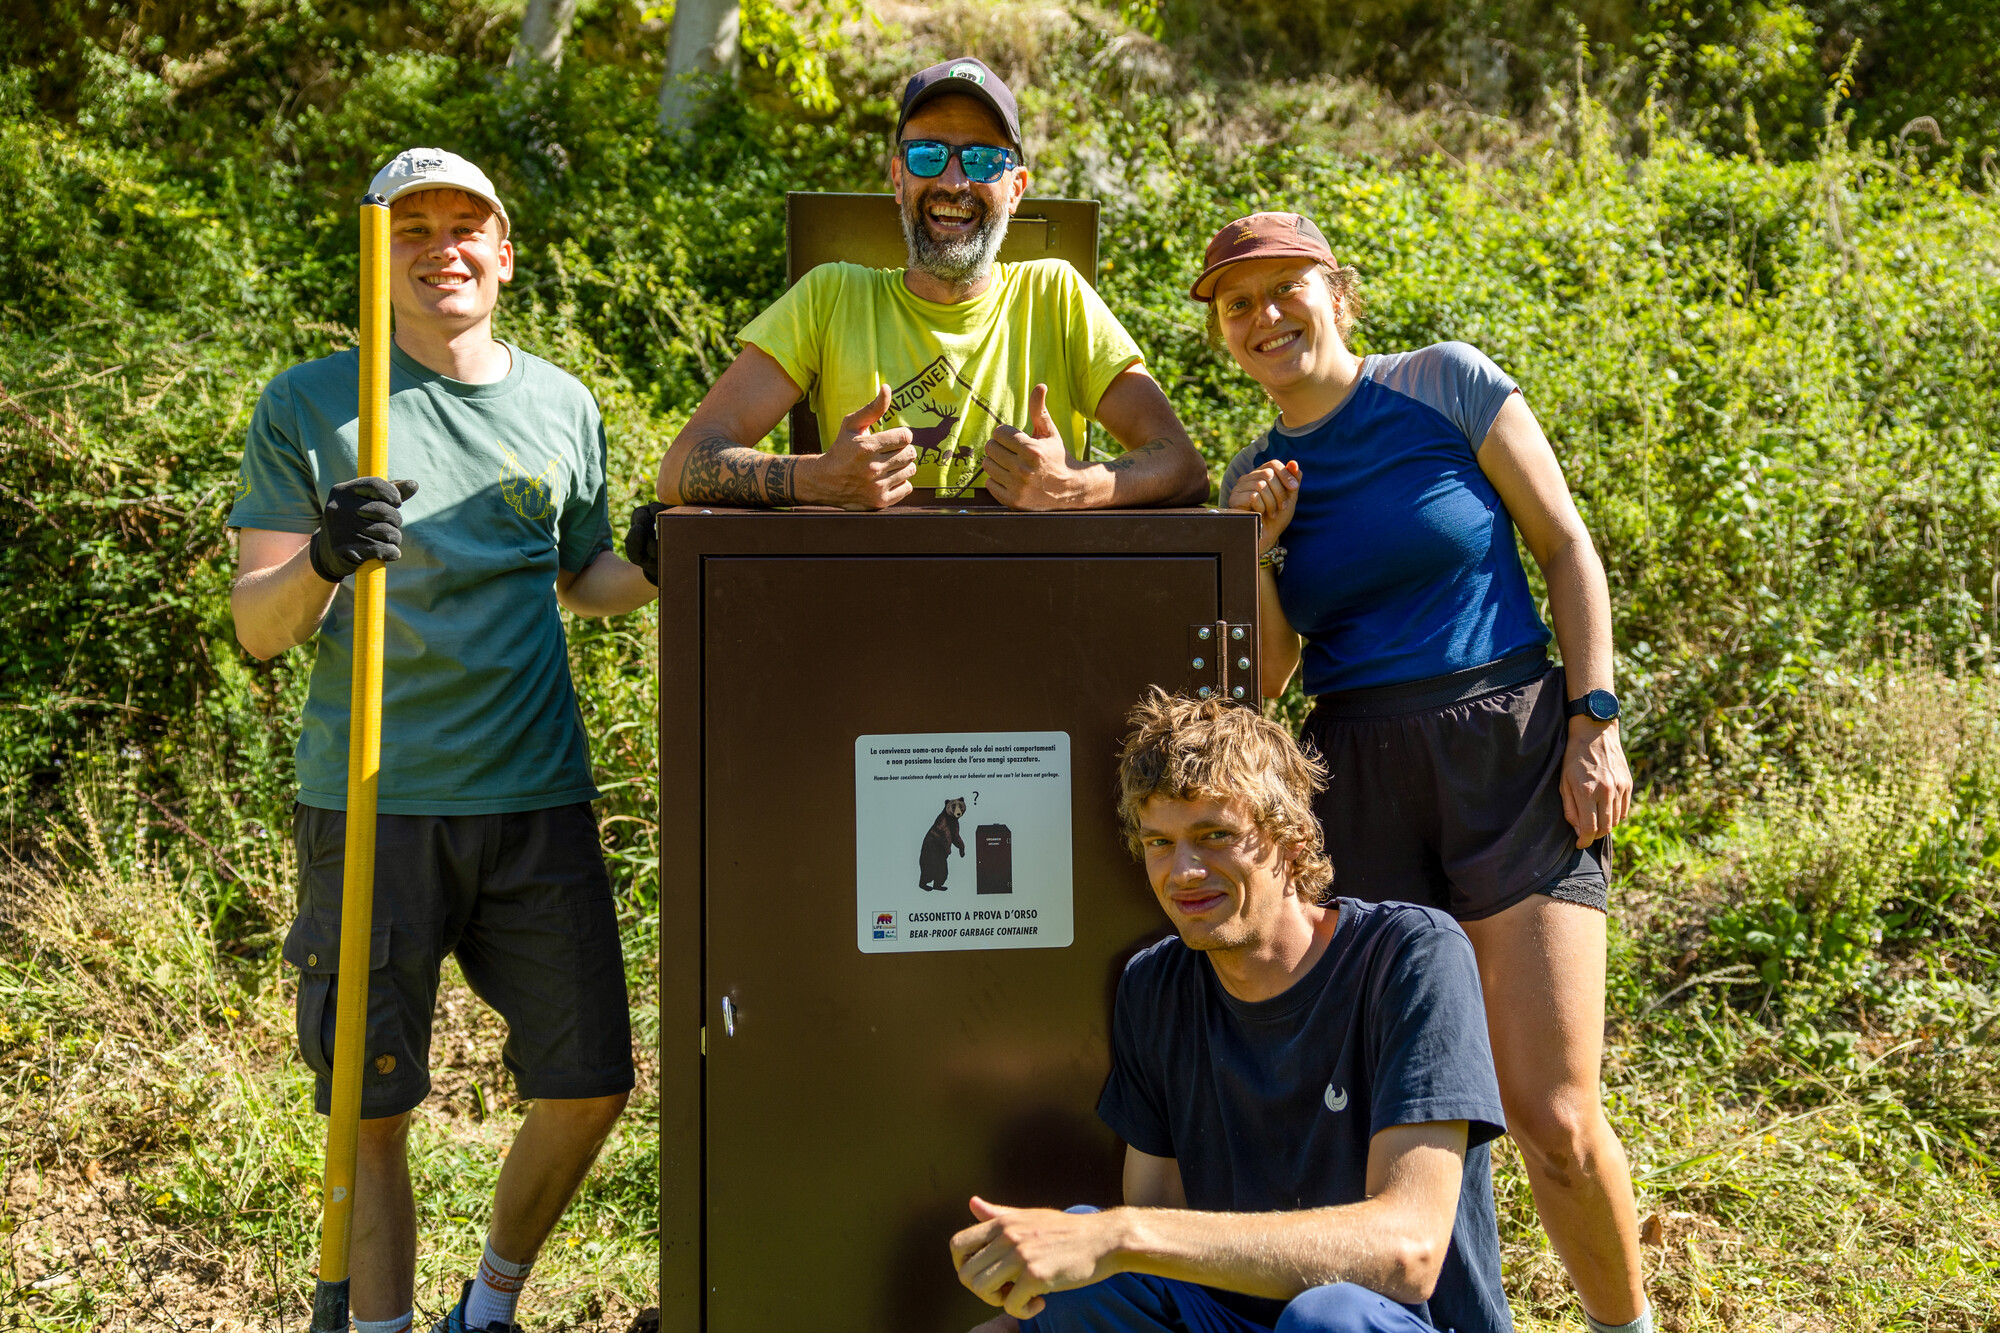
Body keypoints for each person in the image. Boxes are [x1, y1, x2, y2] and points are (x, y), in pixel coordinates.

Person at [227, 148, 662, 1333]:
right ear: (378, 257)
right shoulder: (314, 402)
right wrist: (321, 556)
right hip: (375, 797)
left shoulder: (562, 403)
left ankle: (489, 1306)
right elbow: (259, 629)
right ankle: (377, 1326)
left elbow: (585, 579)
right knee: (371, 1106)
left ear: (504, 251)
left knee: (590, 1084)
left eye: (464, 225)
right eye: (408, 228)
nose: (440, 248)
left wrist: (671, 555)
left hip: (537, 800)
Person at [1199, 213, 1648, 1333]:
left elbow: (1564, 547)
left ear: (1335, 294)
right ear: (1220, 334)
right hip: (1354, 770)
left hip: (1507, 747)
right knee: (1414, 1108)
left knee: (1550, 1112)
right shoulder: (1251, 475)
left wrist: (1593, 719)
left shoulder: (1445, 384)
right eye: (1236, 303)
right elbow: (1267, 672)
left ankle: (1627, 1326)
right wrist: (1251, 550)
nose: (1264, 315)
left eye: (1283, 289)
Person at [950, 691, 1514, 1333]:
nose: (1183, 871)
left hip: (1385, 1322)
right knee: (1075, 1272)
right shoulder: (1154, 985)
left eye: (1214, 835)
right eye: (1159, 842)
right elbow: (1156, 1241)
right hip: (1229, 1321)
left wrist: (1121, 1234)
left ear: (1291, 837)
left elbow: (1407, 1253)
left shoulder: (1410, 956)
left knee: (1325, 1316)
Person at [648, 56, 1208, 515]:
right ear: (898, 178)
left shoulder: (1056, 297)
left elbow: (1182, 466)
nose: (953, 180)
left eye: (985, 159)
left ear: (1015, 189)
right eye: (928, 154)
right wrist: (818, 478)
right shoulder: (831, 298)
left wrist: (1074, 486)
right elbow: (680, 468)